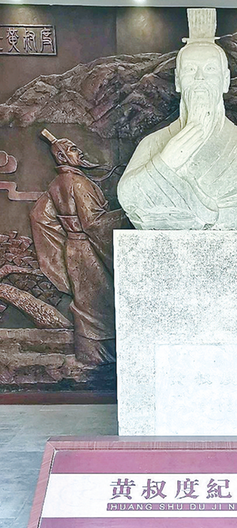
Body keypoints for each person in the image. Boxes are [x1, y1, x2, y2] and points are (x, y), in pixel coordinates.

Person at [117, 8, 237, 231]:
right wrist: (165, 162)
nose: (199, 78)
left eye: (210, 69)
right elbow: (128, 198)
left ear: (225, 81)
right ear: (178, 81)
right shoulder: (153, 144)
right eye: (190, 69)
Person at [30, 129, 127, 365]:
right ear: (61, 157)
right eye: (73, 149)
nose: (79, 152)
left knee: (86, 302)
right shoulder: (79, 183)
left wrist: (62, 235)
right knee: (100, 302)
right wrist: (127, 215)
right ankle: (102, 357)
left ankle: (88, 354)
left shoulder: (56, 184)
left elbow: (38, 215)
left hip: (72, 249)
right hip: (87, 250)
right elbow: (93, 223)